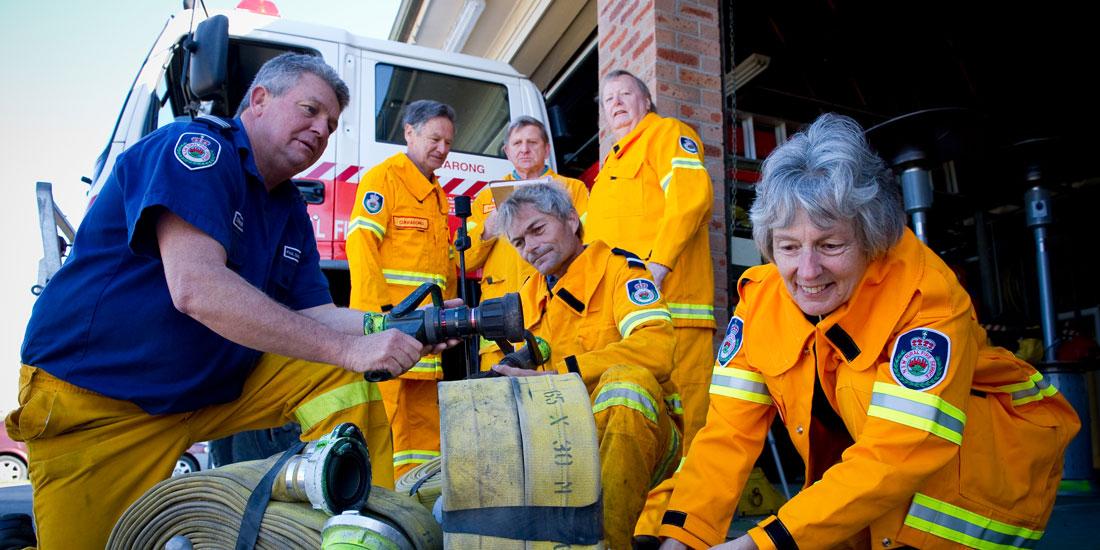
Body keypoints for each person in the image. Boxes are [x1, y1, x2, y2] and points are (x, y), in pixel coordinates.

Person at [6, 53, 453, 549]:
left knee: (346, 375)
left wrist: (398, 329)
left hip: (207, 393)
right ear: (259, 100)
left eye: (330, 124)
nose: (321, 129)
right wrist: (350, 349)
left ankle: (367, 534)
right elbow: (196, 289)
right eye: (309, 110)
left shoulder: (288, 209)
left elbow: (318, 316)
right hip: (101, 403)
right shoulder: (197, 149)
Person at [654, 113, 1080, 550]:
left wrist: (761, 543)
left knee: (860, 382)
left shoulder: (926, 297)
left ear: (871, 238)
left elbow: (898, 451)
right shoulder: (761, 299)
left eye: (830, 245)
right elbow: (725, 436)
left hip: (969, 505)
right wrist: (679, 535)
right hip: (864, 498)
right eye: (788, 247)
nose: (807, 271)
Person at [487, 183, 682, 549]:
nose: (530, 247)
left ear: (572, 220)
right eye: (518, 242)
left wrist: (558, 375)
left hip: (641, 434)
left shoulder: (621, 271)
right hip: (566, 440)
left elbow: (657, 349)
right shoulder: (527, 297)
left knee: (626, 385)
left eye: (538, 230)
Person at [588, 70, 715, 452]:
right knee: (639, 424)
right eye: (609, 100)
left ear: (646, 102)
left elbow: (690, 198)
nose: (617, 103)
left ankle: (687, 512)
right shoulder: (608, 167)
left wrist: (658, 265)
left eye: (626, 94)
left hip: (676, 311)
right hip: (630, 322)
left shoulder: (666, 134)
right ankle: (649, 513)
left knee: (685, 426)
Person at [346, 99, 457, 479]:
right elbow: (361, 247)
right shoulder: (384, 179)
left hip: (427, 335)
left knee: (424, 431)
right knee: (386, 422)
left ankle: (421, 501)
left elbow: (440, 268)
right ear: (409, 132)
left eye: (448, 143)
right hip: (392, 330)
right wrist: (376, 321)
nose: (442, 149)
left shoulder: (438, 194)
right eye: (434, 138)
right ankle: (382, 500)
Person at [466, 116, 589, 361]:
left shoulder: (571, 189)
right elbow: (464, 261)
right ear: (507, 151)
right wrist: (489, 227)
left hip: (558, 314)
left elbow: (588, 246)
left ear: (546, 148)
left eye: (532, 142)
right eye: (517, 143)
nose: (524, 149)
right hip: (500, 322)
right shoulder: (485, 198)